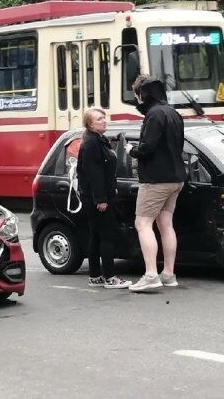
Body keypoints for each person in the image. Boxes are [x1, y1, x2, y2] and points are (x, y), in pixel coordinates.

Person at [124, 74, 186, 292]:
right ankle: (168, 274)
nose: (137, 99)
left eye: (137, 94)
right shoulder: (173, 113)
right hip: (176, 178)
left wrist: (132, 150)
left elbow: (148, 148)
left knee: (143, 224)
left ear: (143, 93)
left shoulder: (153, 115)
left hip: (156, 179)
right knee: (166, 225)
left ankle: (151, 274)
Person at [77, 108, 131, 289]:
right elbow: (94, 174)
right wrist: (101, 199)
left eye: (104, 118)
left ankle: (94, 276)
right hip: (98, 199)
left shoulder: (97, 140)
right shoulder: (92, 144)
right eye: (99, 119)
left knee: (96, 235)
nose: (104, 121)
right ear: (90, 124)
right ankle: (110, 277)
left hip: (94, 197)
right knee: (107, 235)